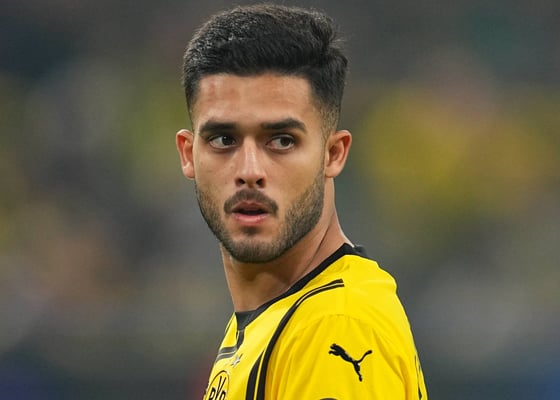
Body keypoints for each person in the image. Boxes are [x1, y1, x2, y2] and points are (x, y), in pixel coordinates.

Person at [175, 4, 427, 399]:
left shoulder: (334, 325)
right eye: (223, 139)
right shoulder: (278, 320)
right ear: (188, 154)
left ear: (333, 154)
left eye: (281, 140)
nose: (250, 170)